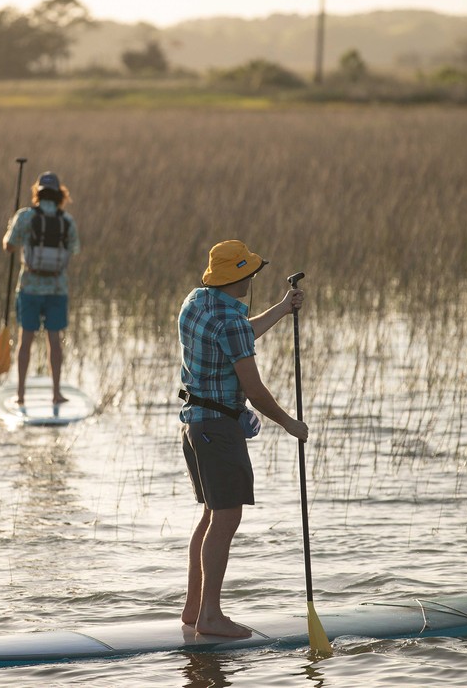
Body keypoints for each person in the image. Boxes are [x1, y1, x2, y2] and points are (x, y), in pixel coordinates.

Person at [178, 239, 309, 640]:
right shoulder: (231, 322)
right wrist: (290, 423)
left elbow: (238, 335)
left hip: (194, 426)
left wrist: (284, 309)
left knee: (211, 515)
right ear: (245, 277)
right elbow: (253, 389)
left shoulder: (196, 301)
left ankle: (193, 608)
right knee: (227, 517)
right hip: (218, 429)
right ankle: (210, 617)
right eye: (252, 271)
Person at [3, 171, 80, 406]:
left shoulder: (25, 217)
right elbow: (73, 249)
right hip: (57, 288)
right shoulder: (66, 221)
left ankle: (20, 395)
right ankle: (56, 394)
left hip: (29, 287)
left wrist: (11, 227)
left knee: (25, 340)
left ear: (37, 192)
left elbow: (9, 246)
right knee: (54, 341)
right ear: (59, 195)